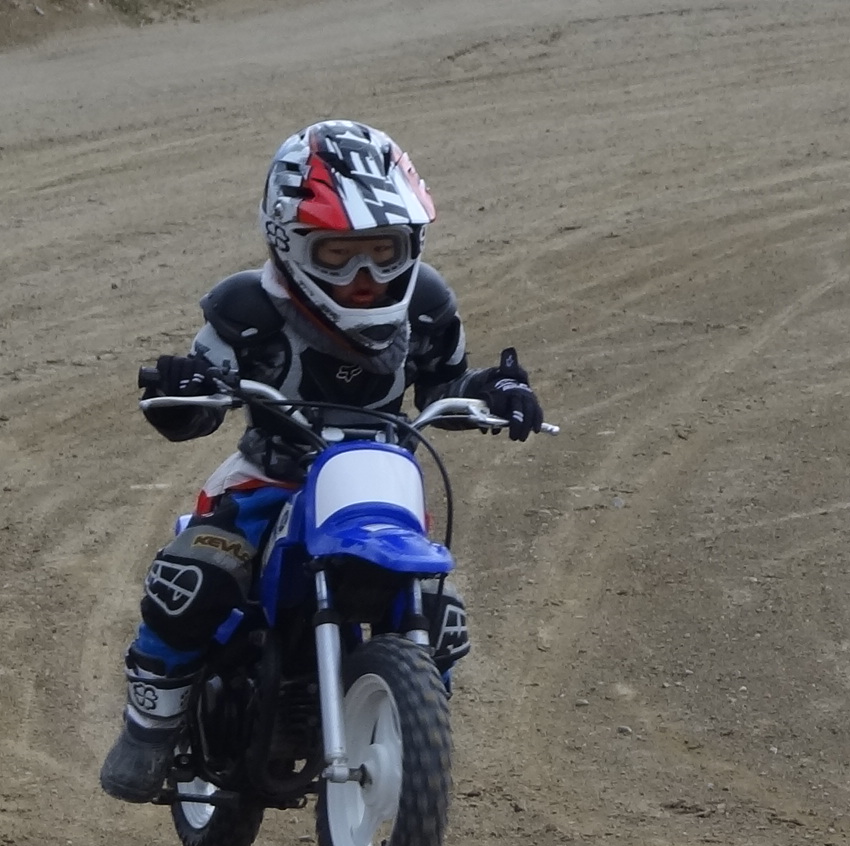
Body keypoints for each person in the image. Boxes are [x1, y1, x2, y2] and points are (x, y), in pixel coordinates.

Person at [98, 120, 545, 803]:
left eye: (383, 251)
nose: (364, 276)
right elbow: (191, 410)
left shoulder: (427, 307)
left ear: (412, 243)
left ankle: (414, 730)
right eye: (337, 253)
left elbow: (446, 388)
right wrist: (184, 384)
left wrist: (495, 389)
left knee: (441, 614)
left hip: (378, 486)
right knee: (195, 576)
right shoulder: (246, 310)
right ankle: (149, 724)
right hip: (270, 477)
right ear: (289, 242)